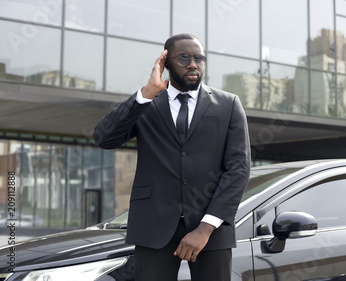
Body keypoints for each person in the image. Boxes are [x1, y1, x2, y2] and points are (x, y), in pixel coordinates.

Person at [93, 33, 251, 281]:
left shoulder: (228, 104)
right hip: (152, 226)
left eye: (199, 58)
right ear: (164, 63)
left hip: (211, 229)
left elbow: (238, 169)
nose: (192, 63)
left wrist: (205, 227)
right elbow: (104, 138)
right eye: (184, 57)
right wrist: (145, 93)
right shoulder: (147, 104)